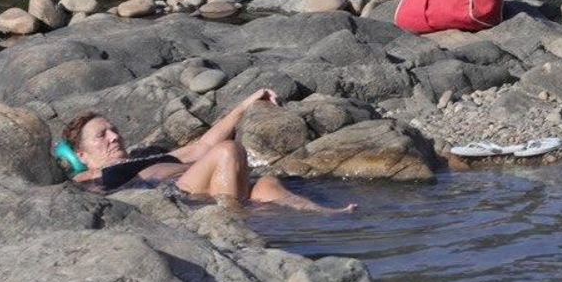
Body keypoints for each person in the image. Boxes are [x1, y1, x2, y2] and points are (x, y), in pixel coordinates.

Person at [61, 89, 350, 212]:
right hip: (171, 198)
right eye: (101, 135)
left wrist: (247, 104)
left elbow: (203, 146)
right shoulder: (86, 179)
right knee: (227, 152)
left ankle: (322, 213)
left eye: (113, 129)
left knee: (265, 183)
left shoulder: (149, 157)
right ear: (82, 156)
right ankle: (233, 225)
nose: (114, 136)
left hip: (206, 187)